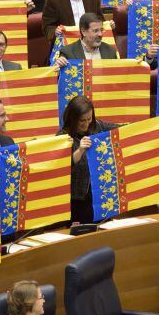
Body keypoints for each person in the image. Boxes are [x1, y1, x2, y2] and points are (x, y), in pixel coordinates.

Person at [57, 96, 119, 224]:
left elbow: (121, 129)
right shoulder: (63, 137)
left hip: (101, 195)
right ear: (73, 119)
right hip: (77, 201)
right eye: (82, 121)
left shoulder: (97, 126)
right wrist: (80, 150)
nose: (86, 124)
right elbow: (63, 165)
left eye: (89, 119)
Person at [53, 13, 118, 66]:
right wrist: (59, 65)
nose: (100, 34)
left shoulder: (110, 51)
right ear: (84, 31)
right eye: (95, 31)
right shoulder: (68, 52)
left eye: (101, 30)